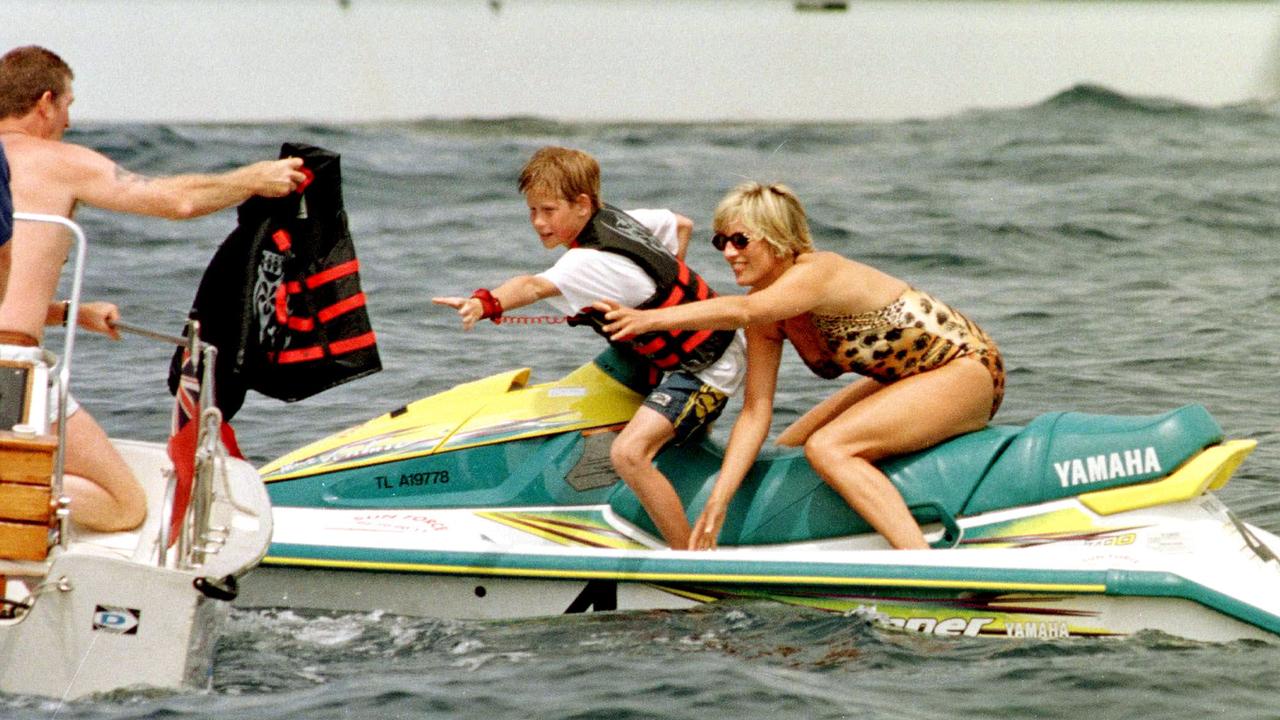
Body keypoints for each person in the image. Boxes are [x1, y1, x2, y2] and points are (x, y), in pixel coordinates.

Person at [598, 182, 1004, 550]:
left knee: (829, 448)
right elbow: (756, 411)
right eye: (721, 240)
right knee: (788, 448)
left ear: (778, 240)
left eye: (741, 240)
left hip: (965, 369)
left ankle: (919, 562)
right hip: (912, 377)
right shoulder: (768, 311)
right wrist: (719, 500)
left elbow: (742, 310)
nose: (728, 253)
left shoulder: (817, 272)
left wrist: (649, 319)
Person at [0, 45, 307, 532]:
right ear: (44, 103)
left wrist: (66, 313)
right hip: (12, 371)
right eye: (68, 106)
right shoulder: (58, 161)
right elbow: (176, 201)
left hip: (12, 359)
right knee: (124, 506)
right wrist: (251, 178)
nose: (69, 123)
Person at [433, 146, 746, 548]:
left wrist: (484, 303)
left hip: (708, 365)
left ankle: (692, 559)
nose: (538, 222)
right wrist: (661, 291)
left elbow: (530, 286)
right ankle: (669, 443)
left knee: (627, 454)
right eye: (531, 211)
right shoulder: (620, 219)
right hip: (706, 340)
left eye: (548, 210)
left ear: (582, 204)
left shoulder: (584, 263)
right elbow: (681, 224)